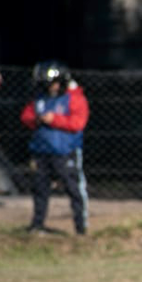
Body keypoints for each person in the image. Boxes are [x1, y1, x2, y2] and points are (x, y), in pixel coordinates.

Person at [20, 61, 90, 235]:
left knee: (73, 189)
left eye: (54, 83)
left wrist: (55, 119)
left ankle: (80, 228)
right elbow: (26, 116)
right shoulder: (40, 99)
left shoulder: (74, 98)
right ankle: (37, 225)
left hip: (65, 153)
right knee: (39, 189)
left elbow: (78, 123)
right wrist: (37, 119)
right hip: (41, 152)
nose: (51, 87)